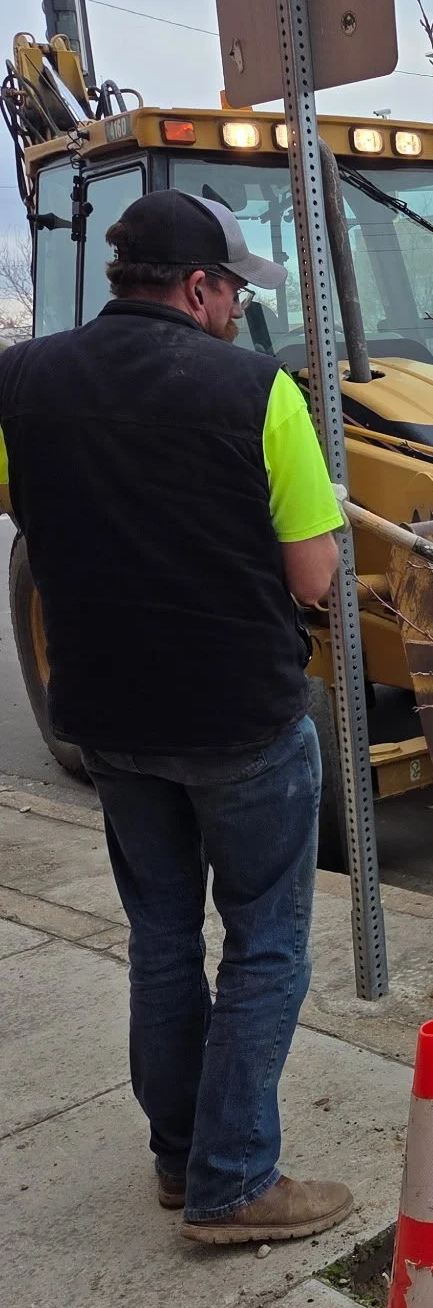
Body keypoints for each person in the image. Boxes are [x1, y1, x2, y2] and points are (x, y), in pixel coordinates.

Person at [0, 190, 354, 1239]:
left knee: (162, 940)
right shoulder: (258, 391)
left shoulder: (20, 380)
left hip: (108, 717)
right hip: (239, 717)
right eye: (235, 290)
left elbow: (27, 503)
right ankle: (235, 1179)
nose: (239, 308)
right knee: (265, 945)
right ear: (199, 286)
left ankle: (179, 1157)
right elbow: (317, 574)